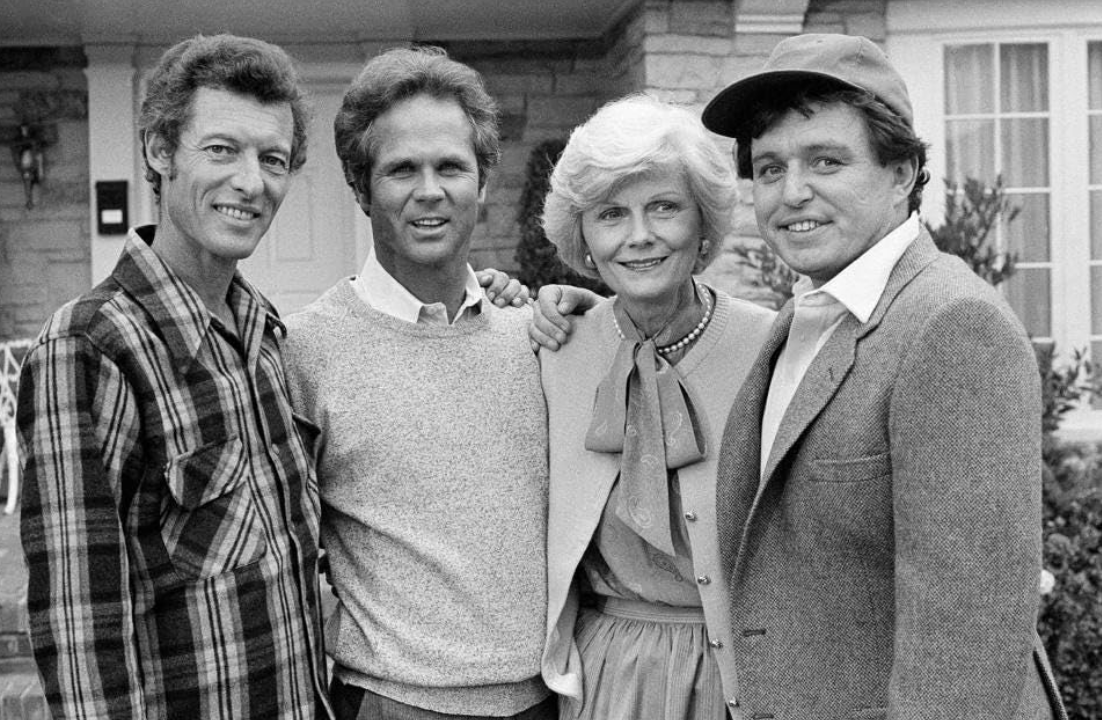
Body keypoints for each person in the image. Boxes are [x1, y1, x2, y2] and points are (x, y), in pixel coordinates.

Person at [699, 33, 1066, 718]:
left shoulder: (952, 325)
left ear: (901, 174)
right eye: (770, 168)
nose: (792, 192)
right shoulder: (806, 316)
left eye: (826, 161)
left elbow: (967, 641)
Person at [17, 34, 333, 719]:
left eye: (273, 159)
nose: (251, 182)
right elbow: (82, 634)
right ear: (161, 151)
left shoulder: (264, 335)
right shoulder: (91, 347)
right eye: (221, 149)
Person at [280, 46, 554, 720]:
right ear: (361, 188)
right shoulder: (302, 350)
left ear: (481, 183)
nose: (429, 190)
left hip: (548, 700)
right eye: (402, 169)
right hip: (392, 702)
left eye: (451, 167)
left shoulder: (537, 336)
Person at [538, 94, 775, 720]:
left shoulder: (772, 348)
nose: (639, 236)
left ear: (703, 223)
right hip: (604, 676)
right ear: (584, 237)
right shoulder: (554, 350)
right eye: (611, 214)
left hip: (745, 676)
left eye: (664, 207)